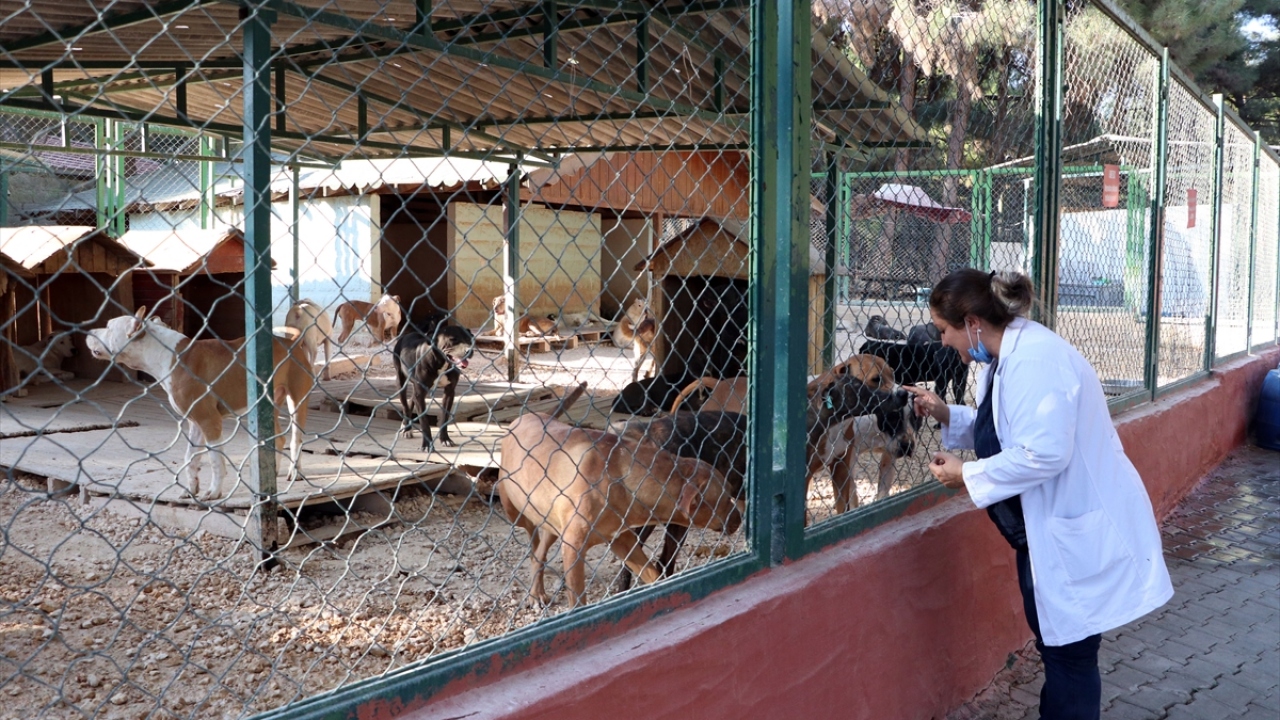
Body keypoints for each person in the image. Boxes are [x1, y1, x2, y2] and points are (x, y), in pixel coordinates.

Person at [905, 268, 1173, 720]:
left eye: (945, 331)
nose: (944, 342)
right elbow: (1005, 427)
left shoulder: (1033, 361)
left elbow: (1044, 453)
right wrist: (947, 414)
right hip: (1043, 530)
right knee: (1061, 650)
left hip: (1069, 533)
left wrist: (968, 474)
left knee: (1070, 655)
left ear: (972, 322)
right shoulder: (1008, 355)